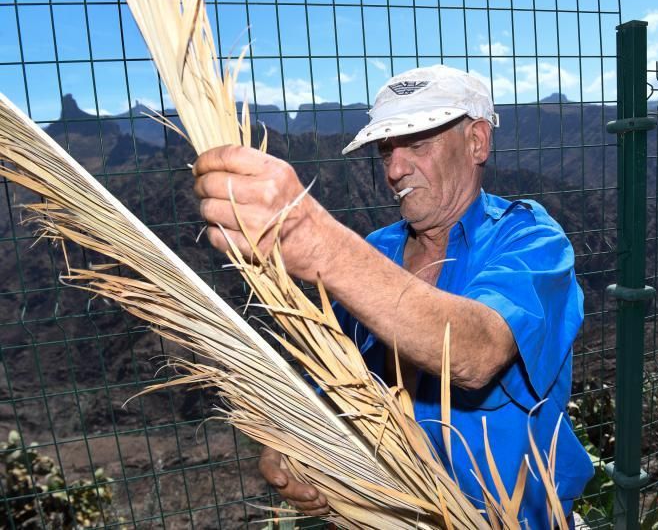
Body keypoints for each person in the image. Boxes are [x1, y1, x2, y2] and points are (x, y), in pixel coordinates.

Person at [193, 65, 594, 527]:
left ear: (477, 142)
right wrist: (287, 441)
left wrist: (319, 242)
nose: (395, 170)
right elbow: (331, 373)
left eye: (418, 144)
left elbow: (475, 350)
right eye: (386, 151)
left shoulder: (533, 241)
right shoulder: (376, 252)